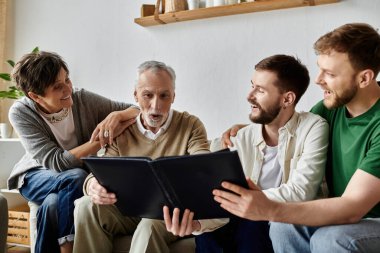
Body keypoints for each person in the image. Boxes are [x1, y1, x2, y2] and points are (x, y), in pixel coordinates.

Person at [215, 23, 380, 253]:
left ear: (364, 78)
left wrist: (268, 208)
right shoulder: (331, 109)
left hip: (370, 220)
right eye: (320, 69)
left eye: (330, 74)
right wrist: (249, 129)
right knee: (284, 227)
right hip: (346, 216)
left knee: (331, 239)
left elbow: (352, 208)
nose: (318, 80)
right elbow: (293, 125)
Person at [163, 54, 329, 253]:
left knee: (252, 226)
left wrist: (253, 201)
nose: (249, 96)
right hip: (239, 219)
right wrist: (196, 225)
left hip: (278, 221)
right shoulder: (240, 138)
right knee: (209, 235)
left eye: (260, 90)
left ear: (287, 99)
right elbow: (217, 200)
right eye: (252, 85)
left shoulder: (313, 127)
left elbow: (302, 192)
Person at [7, 51, 139, 253]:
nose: (68, 88)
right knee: (77, 176)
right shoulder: (21, 112)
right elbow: (56, 162)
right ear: (35, 96)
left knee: (52, 205)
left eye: (67, 79)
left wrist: (117, 114)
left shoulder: (82, 99)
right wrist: (99, 141)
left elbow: (137, 110)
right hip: (35, 176)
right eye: (57, 87)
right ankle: (67, 248)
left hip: (69, 182)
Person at [73, 60, 210, 253]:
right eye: (148, 95)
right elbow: (102, 170)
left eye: (164, 96)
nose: (156, 105)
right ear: (135, 95)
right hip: (128, 210)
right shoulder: (121, 128)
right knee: (86, 206)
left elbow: (204, 168)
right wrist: (92, 185)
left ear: (173, 97)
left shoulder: (190, 125)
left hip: (167, 215)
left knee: (149, 226)